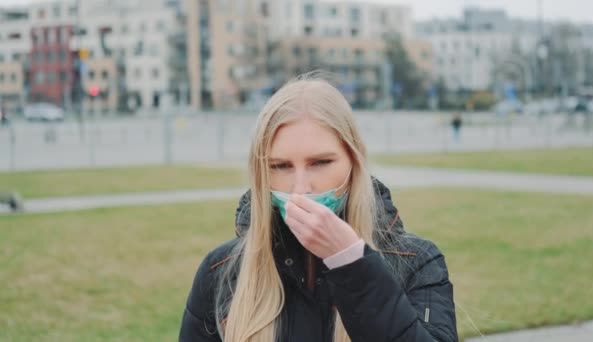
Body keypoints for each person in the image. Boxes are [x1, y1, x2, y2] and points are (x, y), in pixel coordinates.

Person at [179, 74, 457, 342]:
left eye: (320, 162)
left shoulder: (417, 262)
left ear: (353, 161)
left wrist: (353, 264)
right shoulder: (221, 272)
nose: (301, 188)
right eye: (281, 166)